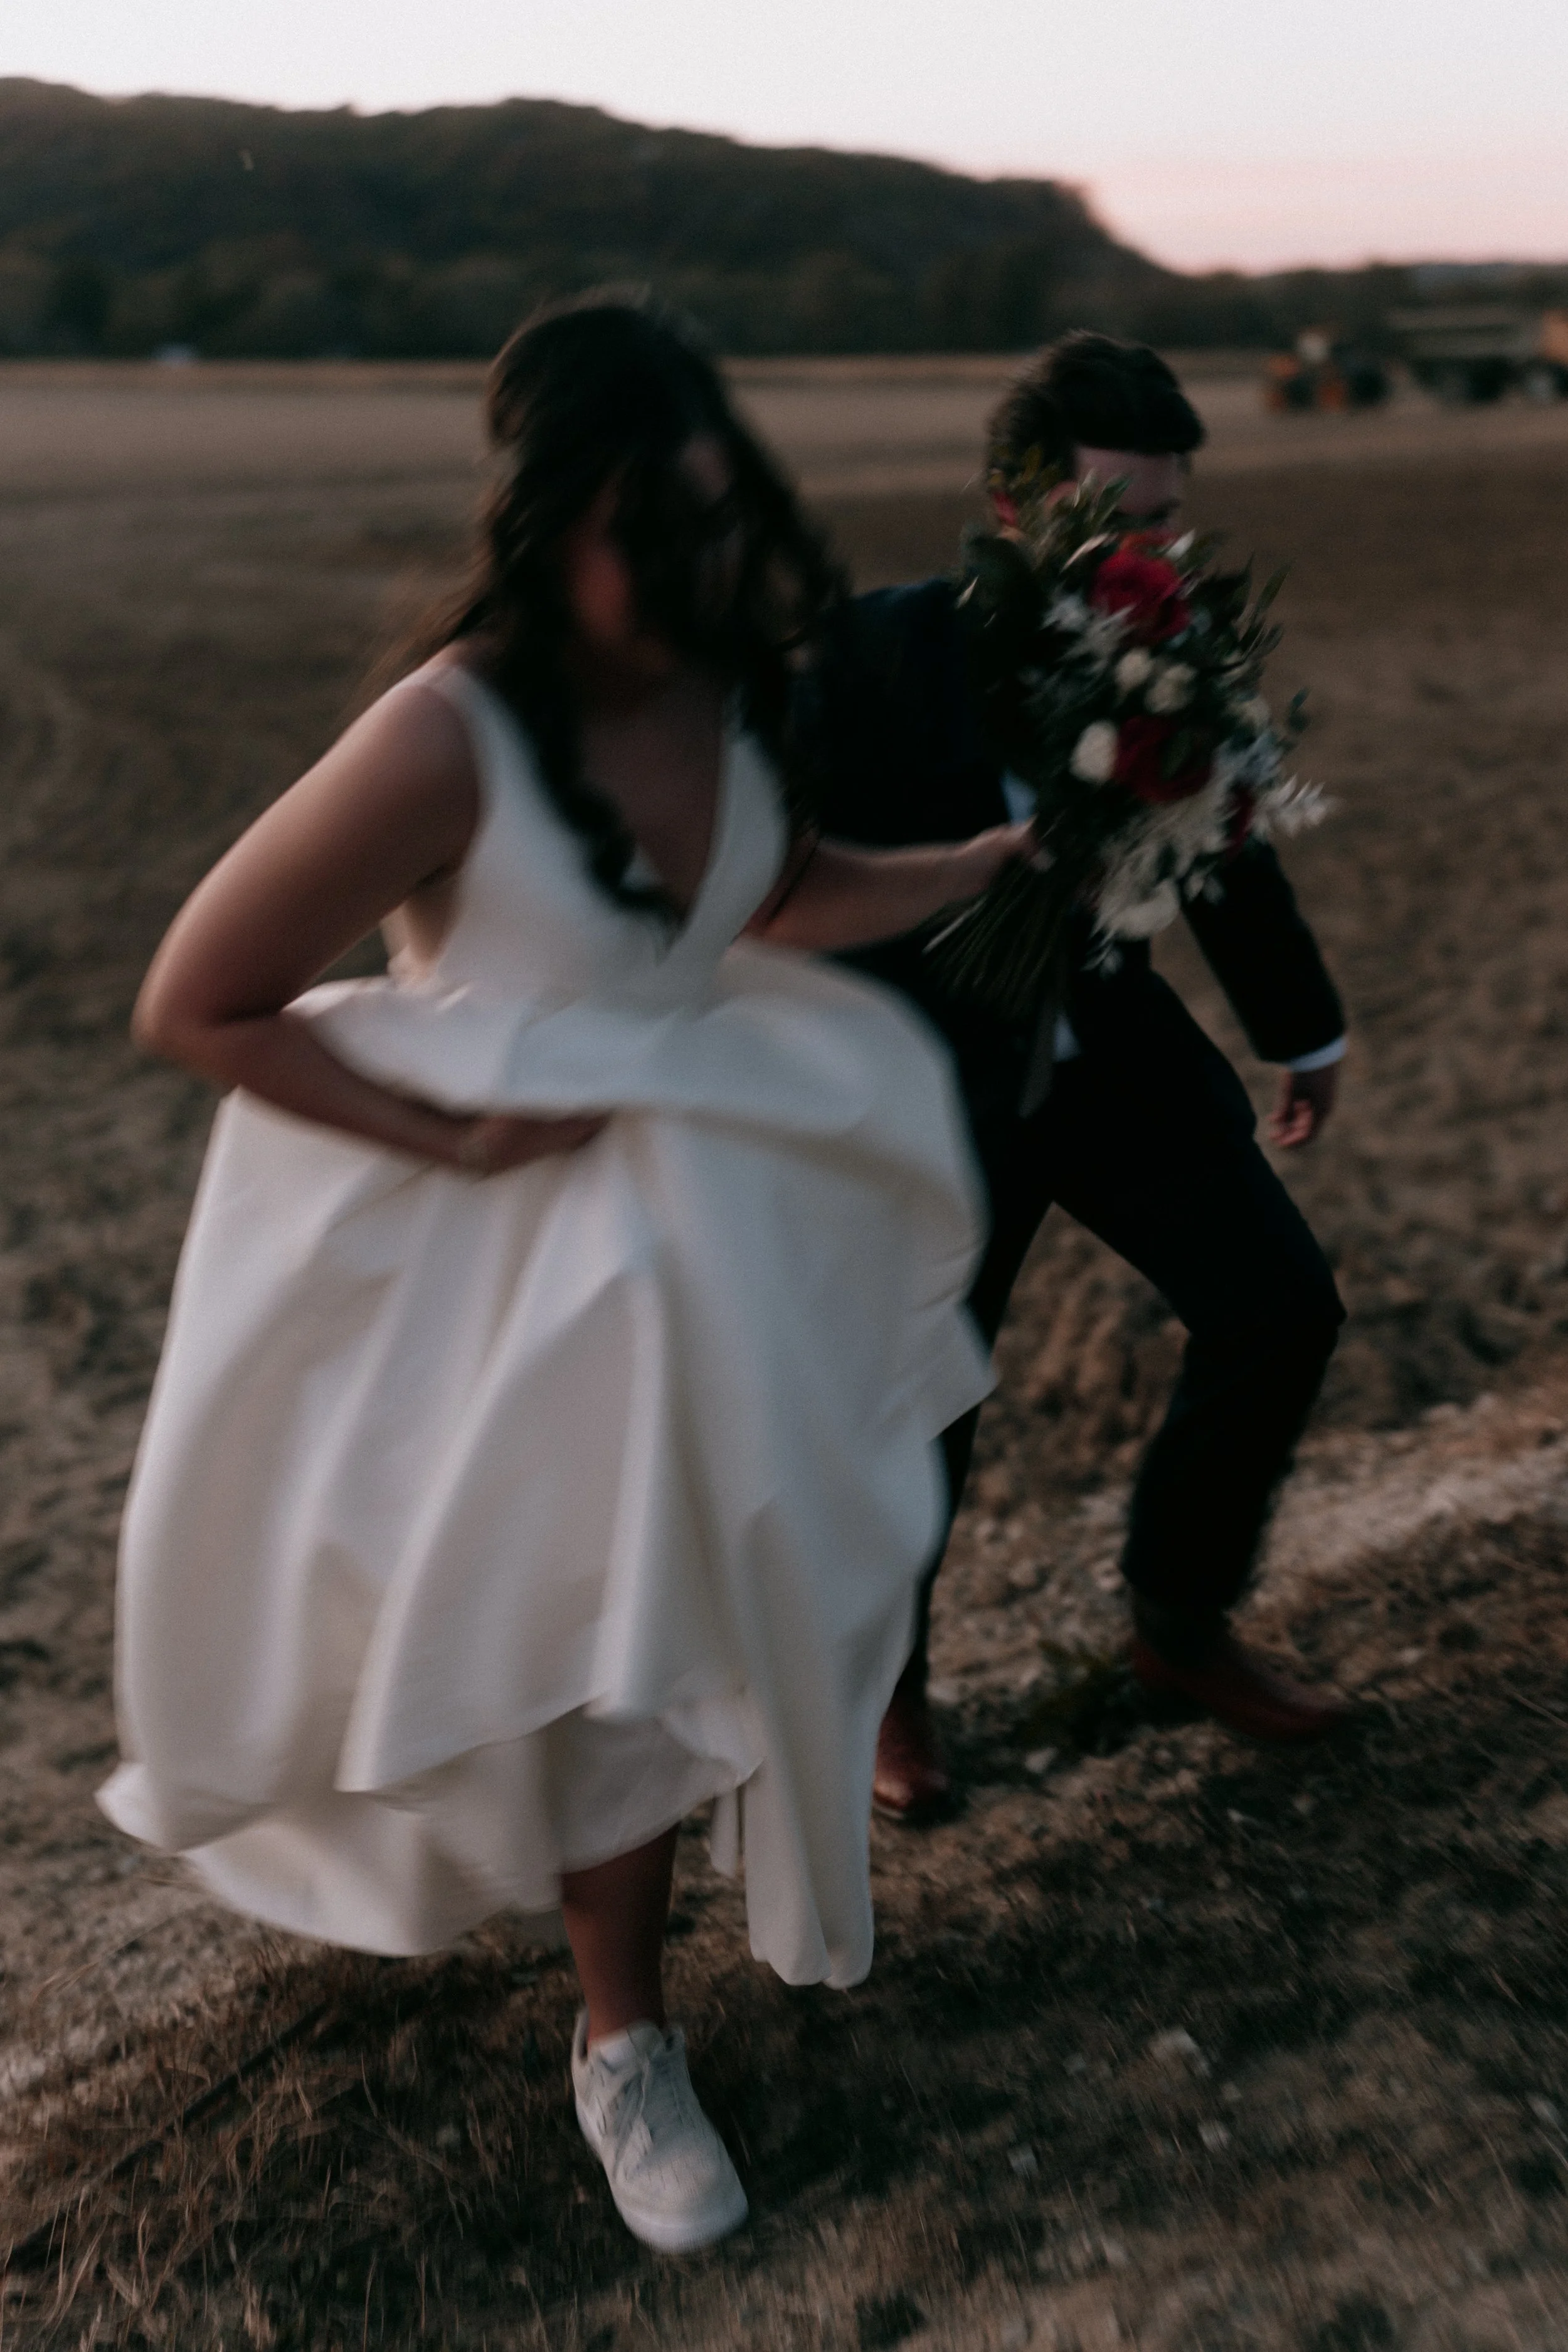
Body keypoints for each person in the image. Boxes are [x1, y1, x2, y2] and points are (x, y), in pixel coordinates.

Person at [98, 295, 1030, 2254]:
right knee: (599, 1644)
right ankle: (623, 2040)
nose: (683, 562)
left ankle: (627, 2000)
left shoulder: (723, 678)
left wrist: (953, 867)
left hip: (722, 1233)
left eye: (706, 516)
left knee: (699, 1613)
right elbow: (199, 996)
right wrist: (452, 1135)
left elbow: (768, 897)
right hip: (519, 1266)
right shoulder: (450, 725)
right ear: (541, 514)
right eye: (641, 522)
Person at [801, 332, 1350, 1821]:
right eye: (1114, 514)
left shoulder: (1182, 650)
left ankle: (1177, 1622)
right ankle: (887, 1697)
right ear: (1008, 504)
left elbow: (1223, 848)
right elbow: (778, 872)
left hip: (1112, 1063)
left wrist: (1300, 1029)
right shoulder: (868, 652)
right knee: (923, 1401)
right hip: (915, 1095)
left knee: (1279, 1306)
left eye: (1164, 516)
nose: (1145, 547)